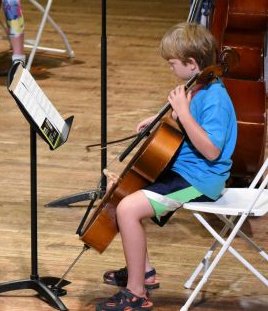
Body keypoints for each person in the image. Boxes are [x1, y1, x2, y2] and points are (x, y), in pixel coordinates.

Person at [95, 22, 237, 311]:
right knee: (121, 190)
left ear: (192, 63)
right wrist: (161, 120)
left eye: (173, 63)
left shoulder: (216, 99)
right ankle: (143, 272)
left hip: (200, 181)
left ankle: (136, 294)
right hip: (183, 170)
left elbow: (210, 151)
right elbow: (185, 121)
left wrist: (183, 115)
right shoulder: (197, 85)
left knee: (127, 208)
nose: (171, 69)